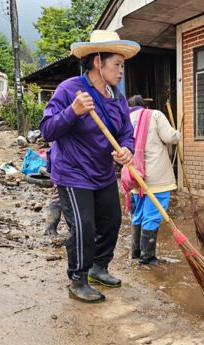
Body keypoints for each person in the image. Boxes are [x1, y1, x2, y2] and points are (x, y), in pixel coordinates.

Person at [39, 30, 139, 303]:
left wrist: (126, 149)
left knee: (111, 221)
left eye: (122, 65)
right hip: (73, 172)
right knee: (83, 226)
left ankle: (98, 267)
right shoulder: (70, 89)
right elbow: (47, 130)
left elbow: (126, 132)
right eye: (117, 64)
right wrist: (73, 111)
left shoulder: (117, 97)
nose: (121, 71)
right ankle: (78, 278)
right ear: (98, 61)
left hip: (102, 172)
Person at [125, 95, 180, 265]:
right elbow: (171, 138)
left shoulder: (125, 119)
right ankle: (147, 257)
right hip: (156, 176)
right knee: (152, 215)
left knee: (139, 214)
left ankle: (136, 253)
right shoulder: (154, 115)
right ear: (144, 106)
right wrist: (177, 133)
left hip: (135, 176)